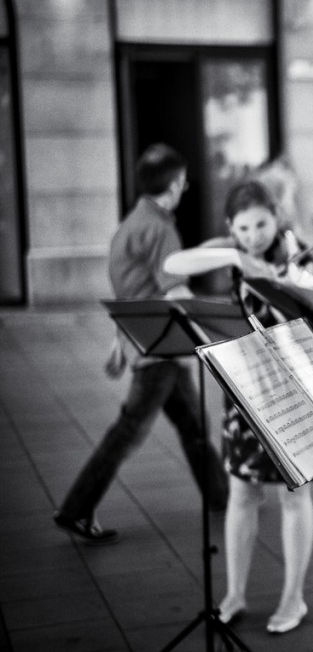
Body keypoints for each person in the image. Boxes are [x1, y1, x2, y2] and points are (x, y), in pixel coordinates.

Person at [53, 144, 229, 546]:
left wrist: (119, 343)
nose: (185, 186)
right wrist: (220, 328)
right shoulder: (161, 227)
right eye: (183, 180)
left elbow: (130, 285)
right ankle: (76, 508)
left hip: (145, 341)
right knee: (129, 429)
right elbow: (173, 289)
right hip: (158, 349)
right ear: (175, 183)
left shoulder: (132, 223)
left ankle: (221, 497)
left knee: (192, 426)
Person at [164, 180, 313, 634]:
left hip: (293, 388)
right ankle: (234, 592)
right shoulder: (234, 248)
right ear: (232, 226)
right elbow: (174, 263)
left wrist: (291, 283)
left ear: (277, 218)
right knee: (242, 491)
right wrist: (233, 256)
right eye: (244, 228)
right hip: (246, 386)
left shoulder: (297, 252)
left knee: (295, 492)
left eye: (263, 225)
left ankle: (294, 598)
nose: (255, 236)